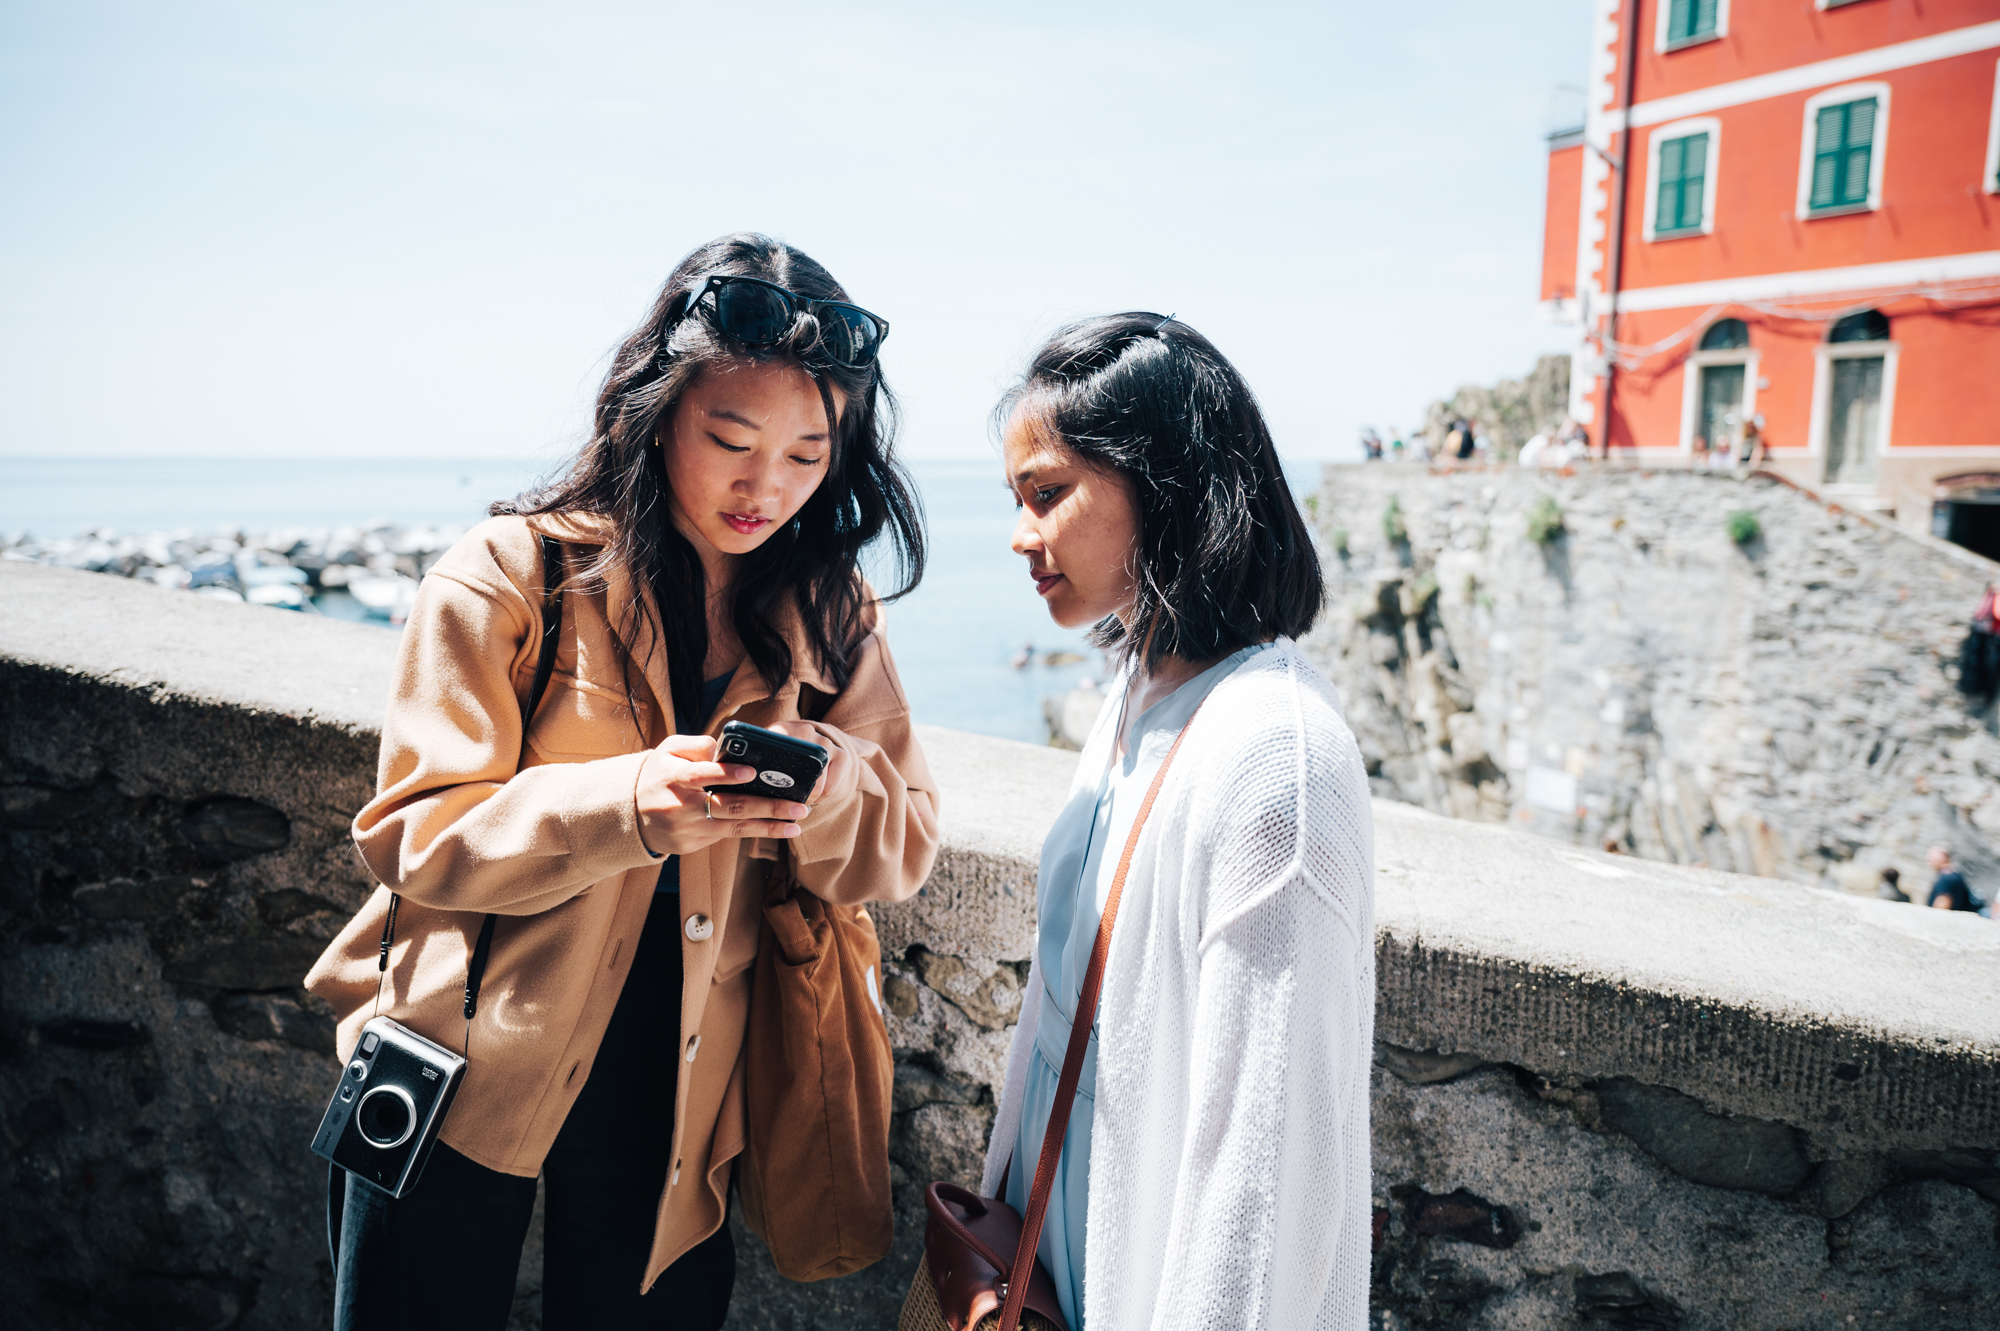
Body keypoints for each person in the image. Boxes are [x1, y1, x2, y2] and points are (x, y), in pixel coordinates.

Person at [306, 233, 939, 1331]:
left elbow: (903, 848)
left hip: (682, 1076)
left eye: (805, 455)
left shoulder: (834, 612)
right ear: (654, 412)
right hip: (458, 1051)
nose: (765, 486)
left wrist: (828, 785)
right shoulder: (512, 571)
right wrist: (630, 804)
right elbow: (414, 833)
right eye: (731, 439)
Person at [988, 312, 1375, 1328]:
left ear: (1160, 484)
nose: (1021, 534)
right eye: (1015, 498)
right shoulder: (1135, 689)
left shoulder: (1274, 758)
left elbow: (1265, 1174)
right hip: (1061, 1263)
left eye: (1047, 493)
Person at [1926, 846, 1985, 914]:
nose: (1928, 858)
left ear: (1943, 856)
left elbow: (1942, 907)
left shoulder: (1946, 879)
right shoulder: (1954, 875)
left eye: (1931, 855)